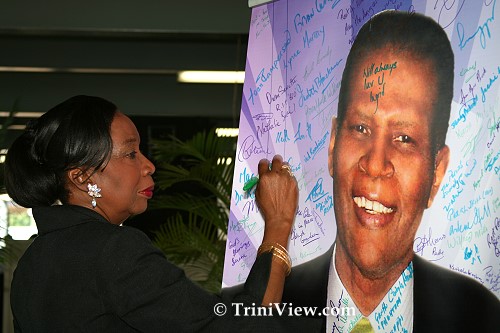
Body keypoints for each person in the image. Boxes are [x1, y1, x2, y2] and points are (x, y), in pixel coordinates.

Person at [277, 10, 499, 332]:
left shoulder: (484, 320)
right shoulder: (260, 311)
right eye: (361, 128)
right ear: (332, 146)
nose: (376, 164)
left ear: (436, 174)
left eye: (405, 138)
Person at [4, 95, 299, 332]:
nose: (149, 165)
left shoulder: (31, 264)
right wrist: (278, 222)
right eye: (131, 154)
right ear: (83, 177)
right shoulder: (113, 250)